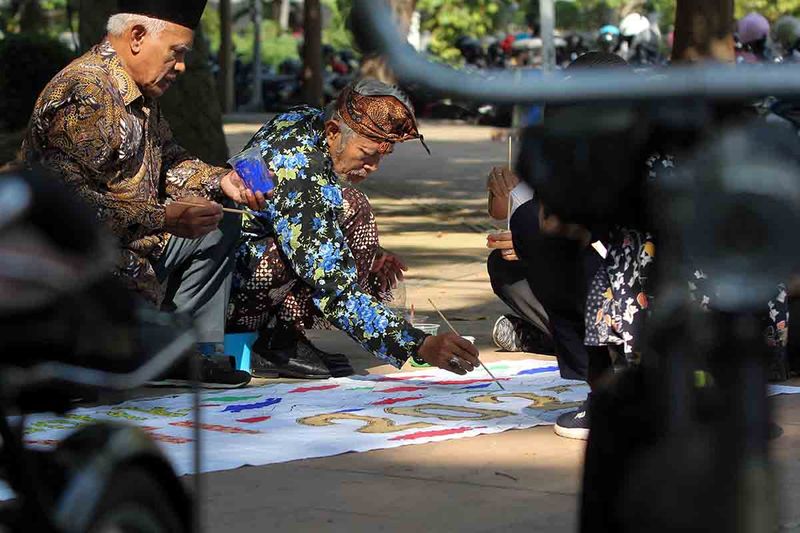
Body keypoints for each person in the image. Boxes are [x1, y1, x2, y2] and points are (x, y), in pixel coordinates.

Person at [19, 0, 266, 388]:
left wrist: (221, 182)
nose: (181, 67)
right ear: (136, 37)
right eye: (176, 53)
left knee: (216, 221)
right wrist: (164, 218)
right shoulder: (86, 93)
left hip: (135, 246)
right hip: (83, 265)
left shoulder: (137, 92)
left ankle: (186, 354)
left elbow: (169, 160)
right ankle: (100, 355)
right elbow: (67, 207)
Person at [226, 79, 482, 379]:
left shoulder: (305, 119)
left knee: (350, 208)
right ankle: (269, 342)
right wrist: (418, 344)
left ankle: (282, 336)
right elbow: (332, 286)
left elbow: (301, 218)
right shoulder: (300, 167)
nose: (373, 167)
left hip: (247, 253)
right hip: (234, 283)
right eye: (366, 153)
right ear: (334, 132)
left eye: (381, 156)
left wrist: (368, 252)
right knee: (353, 208)